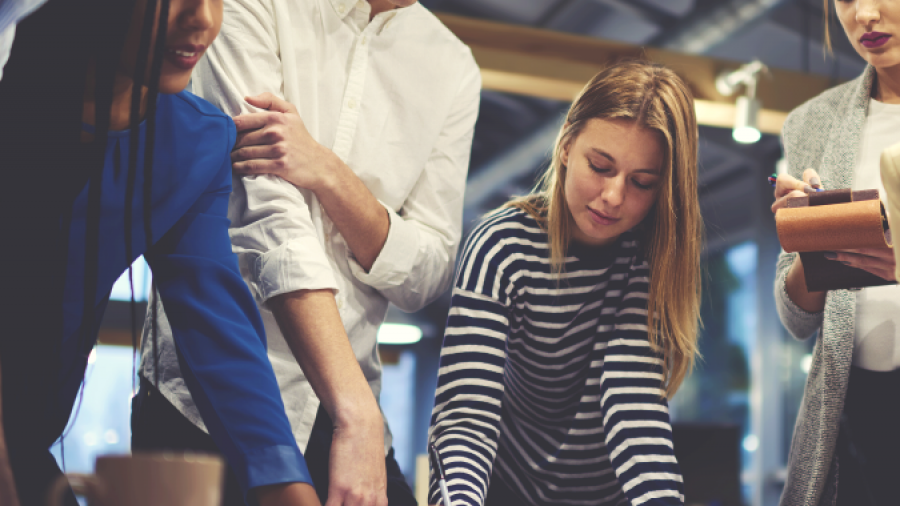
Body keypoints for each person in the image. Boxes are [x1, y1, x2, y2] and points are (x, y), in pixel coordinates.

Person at [132, 0, 480, 505]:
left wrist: (329, 173)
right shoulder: (251, 5)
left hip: (344, 410)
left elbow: (426, 276)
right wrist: (355, 410)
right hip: (205, 398)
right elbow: (262, 212)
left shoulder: (453, 64)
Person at [0, 1, 320, 505]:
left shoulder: (193, 141)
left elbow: (218, 332)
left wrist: (289, 489)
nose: (203, 20)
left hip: (22, 440)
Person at [427, 60, 702, 506]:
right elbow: (467, 417)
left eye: (642, 182)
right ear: (567, 146)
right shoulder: (502, 245)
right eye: (600, 166)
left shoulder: (648, 259)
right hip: (506, 487)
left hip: (609, 493)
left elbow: (633, 408)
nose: (613, 197)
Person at [771, 1, 900, 505]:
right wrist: (809, 240)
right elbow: (797, 319)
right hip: (853, 406)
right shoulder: (813, 123)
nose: (863, 14)